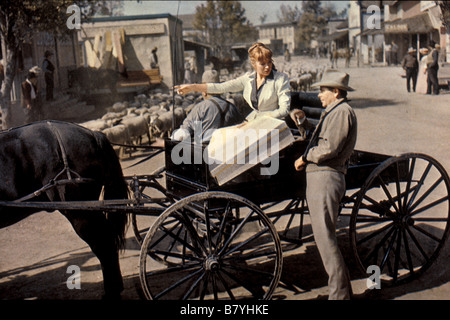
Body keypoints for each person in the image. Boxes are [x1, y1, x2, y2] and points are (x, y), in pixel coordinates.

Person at [294, 69, 357, 300]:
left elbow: (329, 149)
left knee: (326, 241)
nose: (319, 95)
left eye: (323, 90)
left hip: (326, 177)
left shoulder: (342, 112)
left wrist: (304, 157)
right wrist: (302, 121)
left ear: (336, 92)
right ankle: (343, 293)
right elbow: (320, 139)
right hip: (321, 177)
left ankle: (339, 297)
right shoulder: (333, 111)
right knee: (325, 239)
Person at [174, 42, 291, 122]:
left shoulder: (280, 79)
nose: (267, 67)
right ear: (253, 64)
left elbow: (284, 110)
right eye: (263, 64)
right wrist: (192, 87)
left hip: (274, 124)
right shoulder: (248, 79)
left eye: (269, 62)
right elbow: (220, 87)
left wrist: (261, 117)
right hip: (254, 122)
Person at [172, 70, 244, 143]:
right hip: (227, 151)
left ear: (204, 91)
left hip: (204, 152)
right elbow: (242, 129)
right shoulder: (232, 107)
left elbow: (183, 134)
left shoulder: (200, 108)